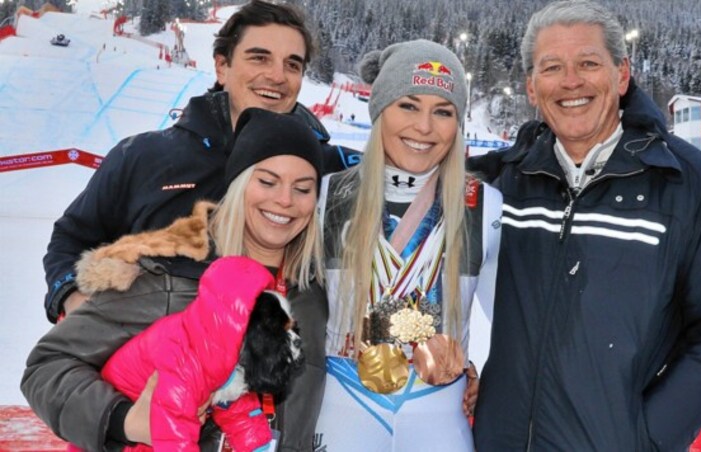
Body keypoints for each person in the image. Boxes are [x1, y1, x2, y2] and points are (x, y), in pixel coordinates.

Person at [472, 1, 701, 451]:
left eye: (588, 63)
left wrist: (645, 438)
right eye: (552, 67)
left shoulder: (689, 183)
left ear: (621, 74)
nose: (571, 81)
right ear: (531, 86)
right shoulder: (506, 180)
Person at [22, 109, 327, 451]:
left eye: (302, 188)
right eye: (267, 181)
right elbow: (47, 368)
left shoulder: (311, 295)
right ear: (239, 185)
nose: (285, 200)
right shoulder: (173, 274)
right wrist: (125, 420)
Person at [43, 0, 361, 324]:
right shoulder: (144, 155)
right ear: (222, 66)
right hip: (152, 364)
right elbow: (71, 238)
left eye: (292, 65)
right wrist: (74, 299)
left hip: (281, 363)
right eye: (259, 58)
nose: (277, 76)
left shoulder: (331, 168)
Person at [314, 39, 502, 451]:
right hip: (344, 404)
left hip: (439, 411)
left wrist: (490, 381)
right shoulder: (327, 195)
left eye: (443, 112)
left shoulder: (483, 204)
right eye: (408, 105)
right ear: (380, 108)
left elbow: (517, 328)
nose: (424, 127)